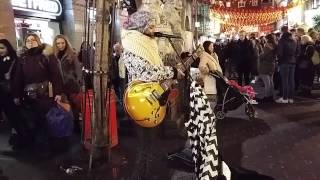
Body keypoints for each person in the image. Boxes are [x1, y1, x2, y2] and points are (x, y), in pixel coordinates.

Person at [120, 10, 185, 180]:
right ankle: (139, 176)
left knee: (150, 145)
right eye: (150, 25)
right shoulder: (132, 45)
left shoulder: (149, 44)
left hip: (153, 97)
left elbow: (156, 74)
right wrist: (172, 72)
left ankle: (148, 173)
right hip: (141, 101)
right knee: (144, 146)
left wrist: (170, 78)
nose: (153, 28)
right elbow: (146, 73)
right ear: (141, 26)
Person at [12, 33, 63, 153]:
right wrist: (16, 95)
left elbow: (55, 75)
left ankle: (47, 147)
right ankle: (39, 146)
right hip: (29, 97)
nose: (30, 42)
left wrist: (58, 92)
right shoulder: (22, 59)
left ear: (38, 41)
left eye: (33, 40)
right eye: (28, 40)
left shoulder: (46, 56)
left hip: (45, 95)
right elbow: (18, 79)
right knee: (34, 122)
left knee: (47, 121)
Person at [0, 39, 26, 149]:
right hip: (2, 94)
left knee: (16, 118)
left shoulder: (14, 60)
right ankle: (17, 137)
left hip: (11, 94)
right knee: (10, 118)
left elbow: (18, 79)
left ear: (8, 48)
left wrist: (17, 95)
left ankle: (22, 139)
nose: (0, 50)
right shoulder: (1, 60)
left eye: (2, 48)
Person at [53, 34, 82, 132]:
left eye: (62, 43)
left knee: (74, 107)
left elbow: (78, 69)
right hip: (60, 86)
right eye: (58, 43)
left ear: (66, 43)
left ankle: (76, 126)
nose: (60, 45)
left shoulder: (71, 54)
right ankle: (67, 126)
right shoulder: (53, 56)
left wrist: (78, 81)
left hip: (71, 84)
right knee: (63, 107)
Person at [275, 30, 299, 104]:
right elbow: (298, 52)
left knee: (285, 81)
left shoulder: (282, 41)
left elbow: (280, 53)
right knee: (291, 80)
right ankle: (290, 98)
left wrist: (279, 60)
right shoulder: (295, 41)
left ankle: (285, 98)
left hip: (284, 62)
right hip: (293, 62)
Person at [258, 34, 277, 102]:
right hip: (272, 64)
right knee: (271, 81)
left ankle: (267, 96)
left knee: (267, 82)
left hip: (265, 65)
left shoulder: (267, 46)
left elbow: (262, 56)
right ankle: (271, 95)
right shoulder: (275, 45)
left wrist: (259, 55)